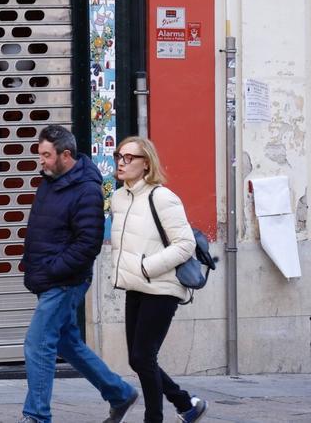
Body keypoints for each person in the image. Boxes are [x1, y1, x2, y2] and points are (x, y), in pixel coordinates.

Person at [19, 124, 139, 423]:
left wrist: (50, 271)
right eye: (41, 154)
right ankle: (119, 393)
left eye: (47, 155)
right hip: (50, 278)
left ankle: (36, 416)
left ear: (66, 155)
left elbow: (88, 245)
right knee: (66, 342)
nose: (41, 161)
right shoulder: (50, 180)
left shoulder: (86, 190)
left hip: (65, 281)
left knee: (38, 343)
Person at [109, 136, 210, 423]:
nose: (121, 162)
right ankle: (186, 404)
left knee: (143, 357)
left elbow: (185, 244)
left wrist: (146, 267)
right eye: (119, 155)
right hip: (136, 286)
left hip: (162, 287)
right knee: (138, 358)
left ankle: (154, 418)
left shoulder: (162, 197)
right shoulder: (119, 198)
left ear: (145, 164)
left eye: (129, 158)